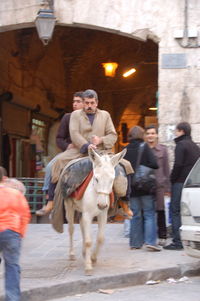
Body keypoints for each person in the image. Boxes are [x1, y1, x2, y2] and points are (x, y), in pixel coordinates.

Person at [50, 89, 132, 233]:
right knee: (56, 163)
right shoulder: (75, 115)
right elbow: (74, 133)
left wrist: (101, 140)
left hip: (102, 152)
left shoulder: (105, 115)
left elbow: (113, 135)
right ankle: (53, 200)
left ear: (96, 103)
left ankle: (124, 203)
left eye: (92, 103)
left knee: (127, 165)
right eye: (86, 103)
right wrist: (87, 145)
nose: (89, 105)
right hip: (79, 151)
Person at [36, 91, 84, 216]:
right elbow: (59, 138)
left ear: (86, 103)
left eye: (78, 101)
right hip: (70, 152)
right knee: (51, 166)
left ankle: (119, 201)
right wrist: (67, 145)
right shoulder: (67, 117)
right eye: (74, 101)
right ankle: (49, 200)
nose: (75, 104)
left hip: (88, 151)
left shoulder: (93, 117)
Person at [124, 126, 161, 251]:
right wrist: (143, 165)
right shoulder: (144, 147)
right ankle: (150, 242)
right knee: (149, 214)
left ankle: (135, 243)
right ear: (141, 135)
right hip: (145, 187)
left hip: (132, 188)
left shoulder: (125, 149)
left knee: (135, 215)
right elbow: (155, 165)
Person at [164, 122, 200, 250]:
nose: (175, 133)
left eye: (176, 131)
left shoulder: (180, 145)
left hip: (179, 183)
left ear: (182, 131)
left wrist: (172, 180)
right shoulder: (195, 146)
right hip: (192, 185)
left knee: (175, 211)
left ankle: (177, 241)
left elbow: (178, 165)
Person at [0, 166, 31, 301]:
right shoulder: (15, 194)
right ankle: (12, 298)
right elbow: (25, 215)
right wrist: (20, 234)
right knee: (12, 266)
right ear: (5, 179)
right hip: (11, 232)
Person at [145, 125, 170, 246]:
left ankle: (162, 236)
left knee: (160, 210)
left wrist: (167, 187)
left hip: (159, 185)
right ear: (145, 135)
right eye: (148, 133)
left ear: (156, 135)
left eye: (152, 133)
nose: (150, 135)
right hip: (146, 185)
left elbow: (166, 169)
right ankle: (148, 237)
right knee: (147, 212)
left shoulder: (163, 150)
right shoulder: (143, 149)